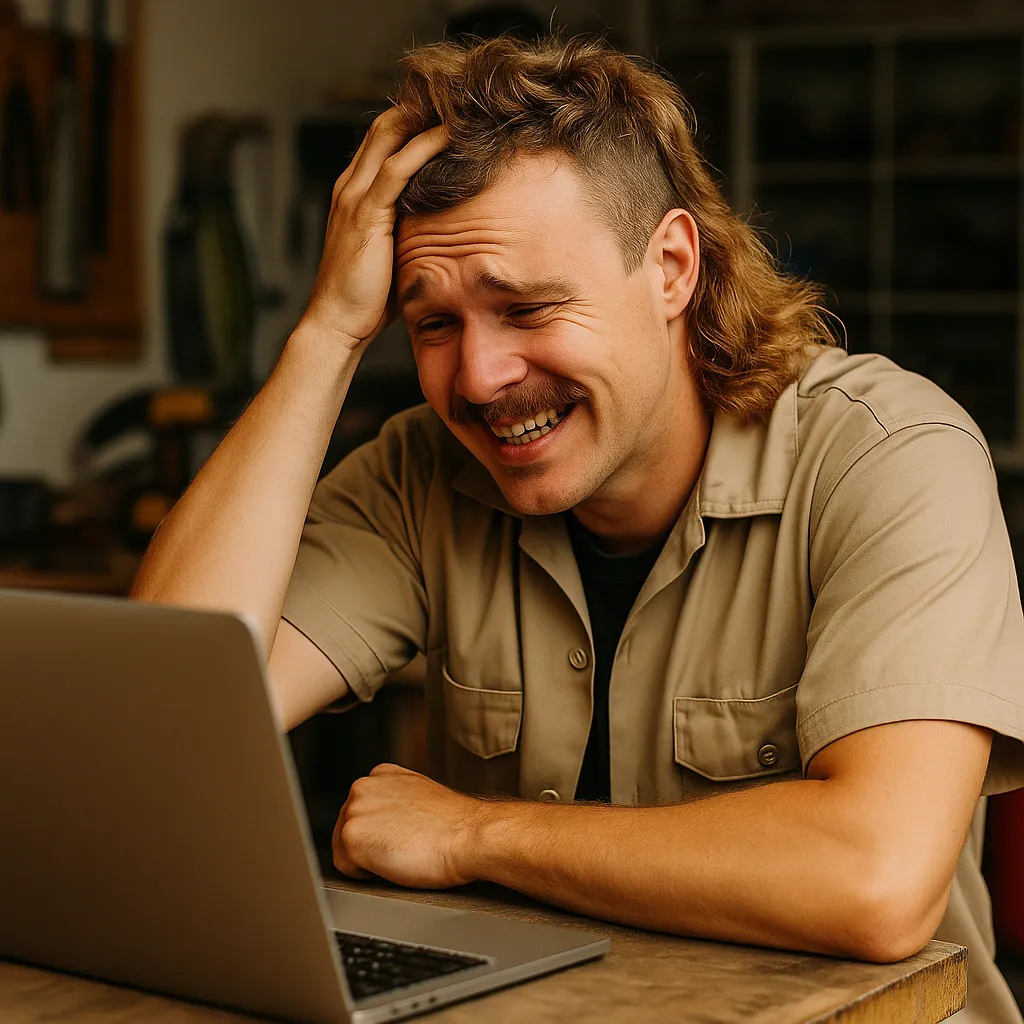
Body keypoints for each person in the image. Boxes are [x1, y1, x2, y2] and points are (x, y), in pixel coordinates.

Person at [132, 34, 1024, 1023]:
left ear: (672, 267)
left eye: (526, 307)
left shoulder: (889, 454)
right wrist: (325, 335)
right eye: (433, 324)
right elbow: (157, 724)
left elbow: (874, 878)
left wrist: (473, 834)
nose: (476, 377)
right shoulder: (417, 470)